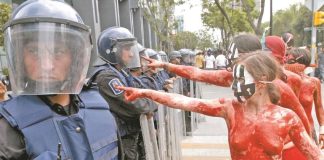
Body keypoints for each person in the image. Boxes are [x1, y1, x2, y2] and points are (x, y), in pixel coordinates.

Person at [118, 52, 323, 160]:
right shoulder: (230, 108)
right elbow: (186, 102)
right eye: (234, 80)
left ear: (261, 82)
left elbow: (314, 155)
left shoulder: (286, 118)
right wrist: (146, 92)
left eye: (240, 80)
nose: (234, 85)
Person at [0, 0, 118, 159]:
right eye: (34, 51)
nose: (47, 65)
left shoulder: (99, 106)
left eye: (58, 51)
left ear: (75, 57)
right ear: (20, 58)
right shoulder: (7, 128)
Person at [141, 34, 311, 135]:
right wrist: (165, 65)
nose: (236, 83)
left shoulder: (282, 85)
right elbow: (198, 74)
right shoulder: (234, 77)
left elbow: (302, 120)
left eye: (235, 58)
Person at [93, 26, 158, 160]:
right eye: (127, 49)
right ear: (112, 50)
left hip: (130, 137)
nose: (132, 54)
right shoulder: (106, 77)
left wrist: (149, 101)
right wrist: (152, 104)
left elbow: (142, 93)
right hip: (122, 140)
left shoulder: (121, 72)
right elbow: (134, 105)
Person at [285, 48, 324, 146]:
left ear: (303, 64)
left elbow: (319, 107)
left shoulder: (313, 82)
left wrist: (322, 129)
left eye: (290, 61)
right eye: (286, 60)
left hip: (308, 131)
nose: (286, 63)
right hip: (286, 132)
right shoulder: (282, 82)